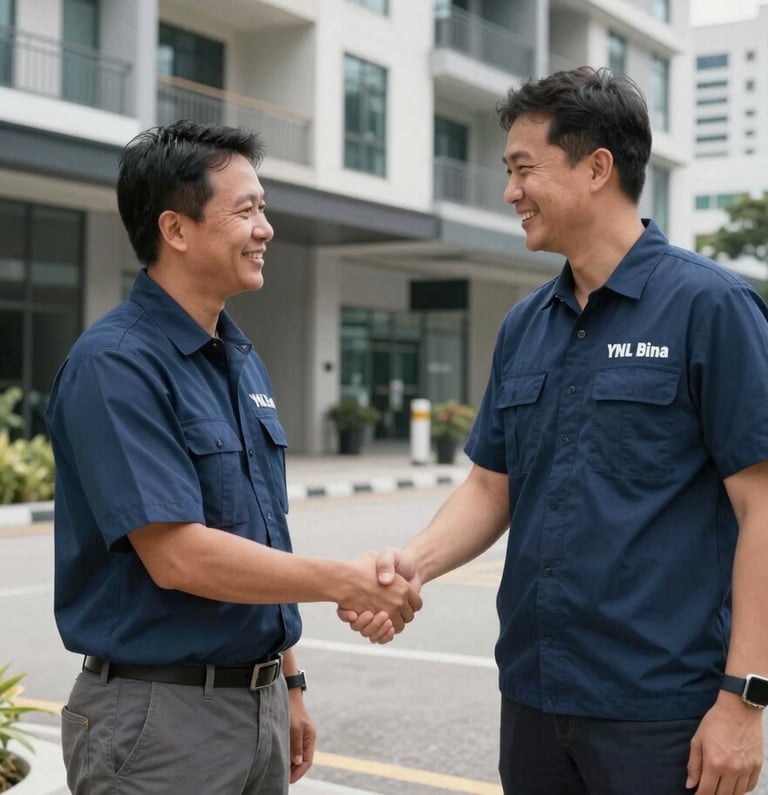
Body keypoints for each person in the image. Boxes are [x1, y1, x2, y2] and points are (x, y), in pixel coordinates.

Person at [343, 67, 768, 795]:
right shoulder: (525, 325)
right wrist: (410, 565)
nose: (510, 192)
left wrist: (746, 697)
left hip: (661, 712)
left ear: (597, 166)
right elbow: (490, 485)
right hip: (536, 699)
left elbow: (762, 507)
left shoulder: (712, 308)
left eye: (522, 169)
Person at [46, 119, 421, 795]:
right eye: (245, 209)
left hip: (258, 704)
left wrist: (289, 678)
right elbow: (179, 554)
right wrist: (344, 579)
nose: (265, 228)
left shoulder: (237, 359)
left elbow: (257, 532)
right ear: (176, 229)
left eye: (264, 208)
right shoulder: (117, 365)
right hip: (159, 720)